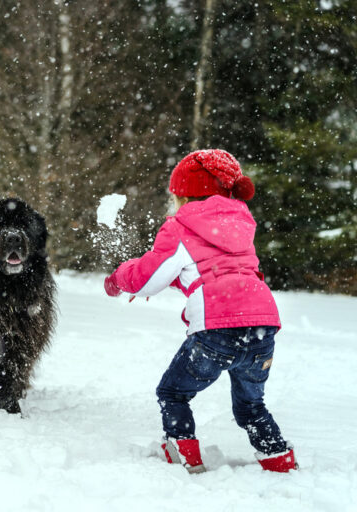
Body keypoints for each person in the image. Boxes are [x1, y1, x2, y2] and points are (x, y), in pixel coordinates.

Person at [104, 149, 297, 473]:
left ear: (183, 195)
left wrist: (118, 278)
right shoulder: (241, 224)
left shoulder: (180, 225)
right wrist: (185, 284)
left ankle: (185, 460)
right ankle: (280, 462)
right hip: (262, 325)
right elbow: (220, 273)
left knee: (173, 392)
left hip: (216, 332)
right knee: (251, 406)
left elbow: (146, 279)